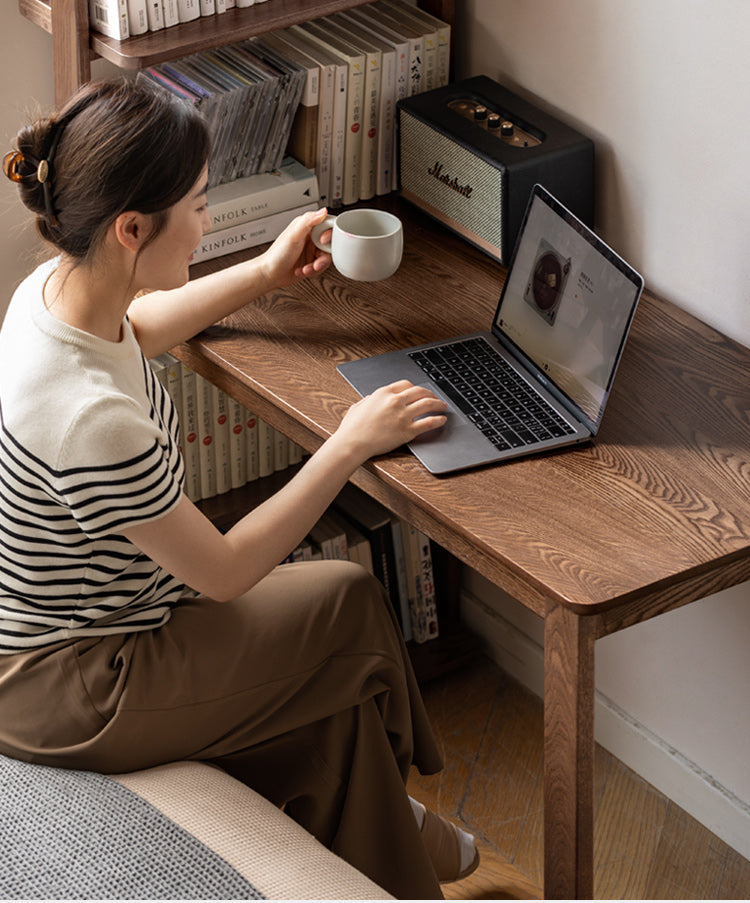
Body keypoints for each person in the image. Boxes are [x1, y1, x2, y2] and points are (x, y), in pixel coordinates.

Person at [0, 77, 479, 898]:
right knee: (346, 600)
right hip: (75, 684)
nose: (208, 218)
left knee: (334, 721)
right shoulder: (90, 421)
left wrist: (265, 272)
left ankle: (401, 842)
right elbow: (220, 572)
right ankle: (413, 803)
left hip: (78, 638)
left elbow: (138, 331)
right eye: (197, 202)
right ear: (130, 229)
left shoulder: (48, 299)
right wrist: (345, 445)